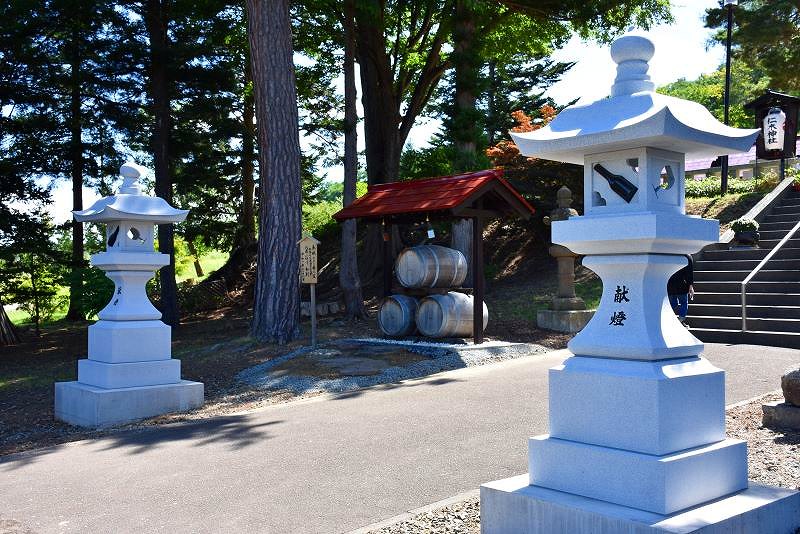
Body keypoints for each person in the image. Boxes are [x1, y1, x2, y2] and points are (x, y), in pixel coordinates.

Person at [668, 255, 694, 327]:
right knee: (683, 303)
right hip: (682, 285)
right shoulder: (688, 257)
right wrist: (690, 285)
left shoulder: (673, 255)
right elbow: (689, 273)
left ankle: (669, 320)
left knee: (672, 304)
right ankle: (680, 320)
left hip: (670, 285)